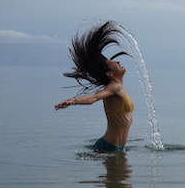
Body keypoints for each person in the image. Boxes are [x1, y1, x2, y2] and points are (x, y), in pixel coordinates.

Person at [54, 21, 134, 153]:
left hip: (118, 148)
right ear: (110, 73)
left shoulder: (118, 86)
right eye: (113, 62)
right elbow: (94, 97)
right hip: (109, 147)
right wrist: (73, 101)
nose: (118, 61)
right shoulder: (114, 87)